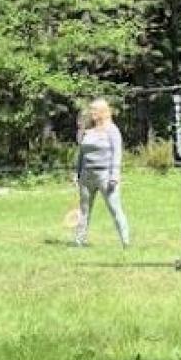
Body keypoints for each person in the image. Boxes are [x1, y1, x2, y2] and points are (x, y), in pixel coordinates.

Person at [74, 98, 130, 248]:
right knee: (84, 209)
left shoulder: (112, 130)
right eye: (91, 110)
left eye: (94, 110)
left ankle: (125, 242)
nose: (91, 113)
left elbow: (117, 153)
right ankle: (79, 241)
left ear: (102, 112)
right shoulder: (88, 130)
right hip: (87, 176)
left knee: (115, 208)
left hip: (105, 176)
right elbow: (81, 153)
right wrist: (77, 174)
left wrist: (114, 176)